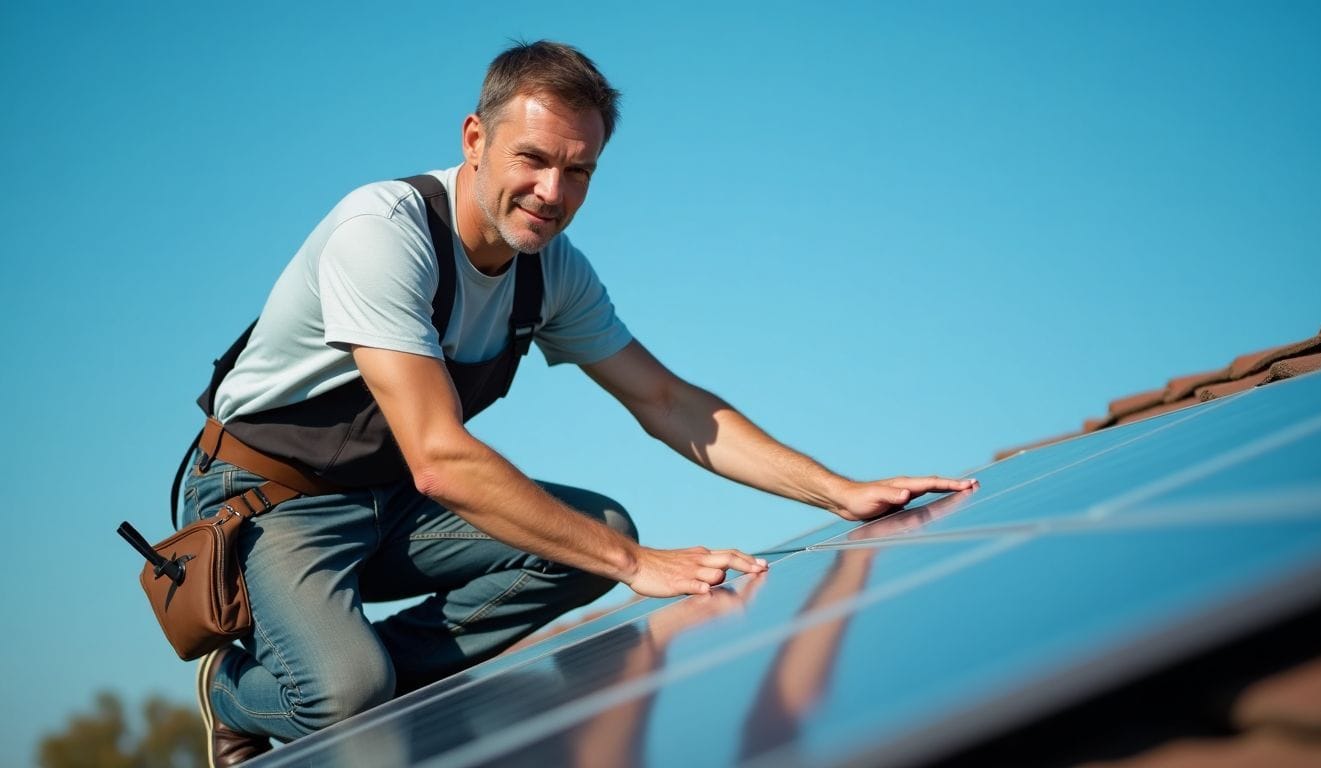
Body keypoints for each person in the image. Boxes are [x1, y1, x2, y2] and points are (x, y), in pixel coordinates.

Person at [188, 40, 976, 765]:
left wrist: (839, 490)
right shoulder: (384, 233)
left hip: (389, 497)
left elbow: (669, 402)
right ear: (474, 139)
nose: (551, 192)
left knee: (596, 531)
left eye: (579, 171)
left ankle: (369, 671)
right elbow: (438, 457)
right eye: (532, 159)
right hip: (271, 500)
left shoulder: (552, 273)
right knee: (346, 690)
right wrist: (635, 568)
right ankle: (239, 693)